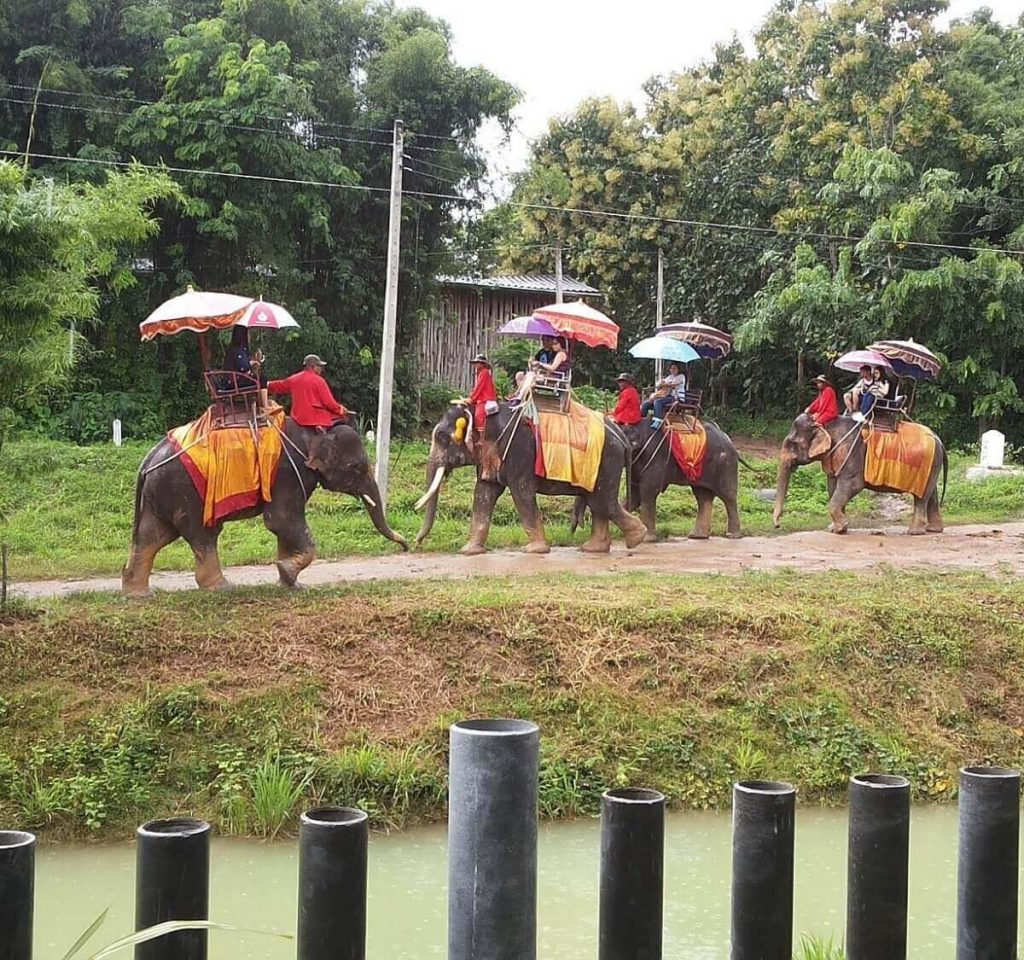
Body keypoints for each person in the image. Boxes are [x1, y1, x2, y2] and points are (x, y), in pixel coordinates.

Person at [267, 354, 347, 429]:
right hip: (315, 418)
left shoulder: (294, 379)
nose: (321, 370)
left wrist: (265, 384)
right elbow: (329, 403)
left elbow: (279, 385)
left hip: (297, 418)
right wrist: (340, 409)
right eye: (320, 367)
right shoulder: (319, 381)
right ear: (314, 367)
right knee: (341, 419)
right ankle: (322, 430)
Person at [224, 325, 268, 409]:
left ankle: (260, 405)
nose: (249, 336)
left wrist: (251, 362)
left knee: (257, 378)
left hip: (231, 380)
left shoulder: (233, 348)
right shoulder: (238, 349)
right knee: (262, 379)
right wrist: (253, 363)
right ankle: (265, 406)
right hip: (235, 382)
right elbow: (243, 367)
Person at [467, 354, 498, 432]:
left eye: (478, 363)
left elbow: (479, 388)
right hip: (481, 398)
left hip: (486, 399)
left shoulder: (485, 372)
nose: (476, 365)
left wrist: (471, 398)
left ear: (483, 364)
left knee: (478, 415)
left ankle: (481, 438)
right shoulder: (482, 373)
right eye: (476, 363)